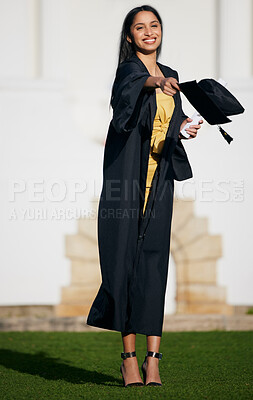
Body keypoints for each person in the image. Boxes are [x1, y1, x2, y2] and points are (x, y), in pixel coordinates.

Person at [86, 5, 203, 387]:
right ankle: (128, 359)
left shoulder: (172, 75)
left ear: (160, 32)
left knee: (154, 264)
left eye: (154, 26)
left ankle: (154, 360)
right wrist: (154, 84)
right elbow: (128, 103)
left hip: (160, 181)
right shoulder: (129, 73)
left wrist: (183, 127)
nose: (148, 32)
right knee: (124, 264)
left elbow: (164, 124)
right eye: (140, 27)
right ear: (129, 36)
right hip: (127, 181)